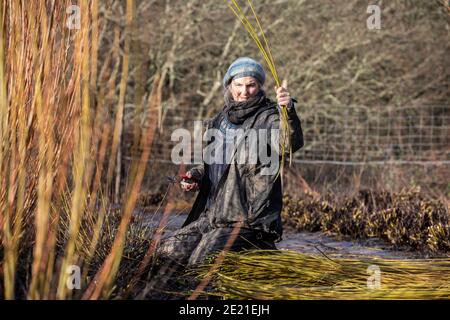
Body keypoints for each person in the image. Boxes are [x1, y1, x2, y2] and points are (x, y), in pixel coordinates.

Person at [157, 57, 304, 266]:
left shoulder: (270, 117)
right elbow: (214, 163)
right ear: (229, 85)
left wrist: (287, 111)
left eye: (251, 85)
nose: (244, 91)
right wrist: (197, 176)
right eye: (239, 85)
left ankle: (259, 250)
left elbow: (288, 144)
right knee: (166, 252)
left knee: (199, 263)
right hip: (214, 217)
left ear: (260, 86)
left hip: (248, 221)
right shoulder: (219, 120)